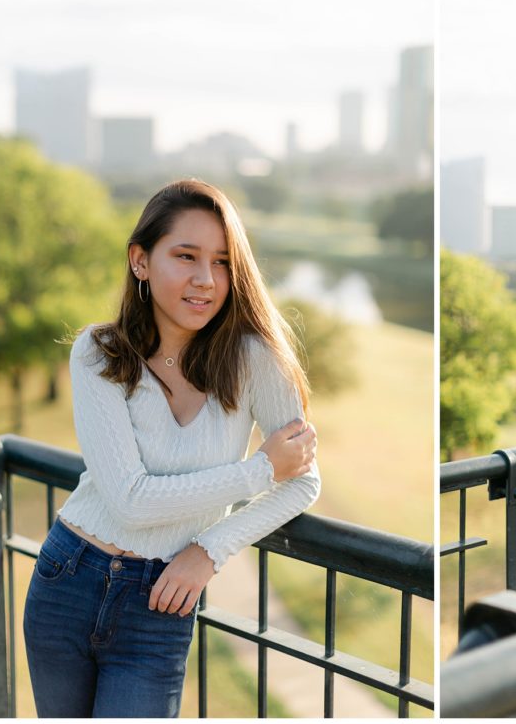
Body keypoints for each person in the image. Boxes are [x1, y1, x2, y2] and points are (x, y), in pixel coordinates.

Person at [23, 179, 321, 718]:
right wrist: (259, 471)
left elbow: (303, 480)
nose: (205, 280)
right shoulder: (98, 352)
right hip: (67, 579)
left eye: (222, 262)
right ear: (141, 260)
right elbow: (130, 501)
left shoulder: (256, 359)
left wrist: (208, 552)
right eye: (185, 256)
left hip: (161, 603)